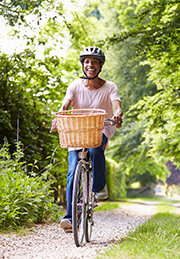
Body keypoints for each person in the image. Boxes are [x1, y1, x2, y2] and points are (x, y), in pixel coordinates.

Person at [51, 47, 123, 232]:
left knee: (95, 147)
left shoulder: (110, 86)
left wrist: (117, 116)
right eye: (87, 62)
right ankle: (69, 218)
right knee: (72, 172)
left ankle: (98, 187)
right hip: (78, 130)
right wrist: (59, 117)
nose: (90, 65)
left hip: (101, 127)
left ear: (100, 66)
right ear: (83, 65)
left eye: (94, 62)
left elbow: (117, 106)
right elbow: (66, 104)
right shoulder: (74, 85)